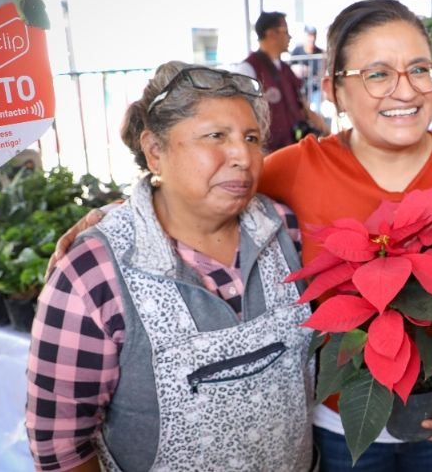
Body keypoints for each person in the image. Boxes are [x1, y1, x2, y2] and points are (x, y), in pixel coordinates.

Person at [258, 0, 432, 471]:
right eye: (378, 74)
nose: (406, 91)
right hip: (340, 426)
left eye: (420, 69)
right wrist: (118, 215)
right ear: (334, 90)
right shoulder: (295, 168)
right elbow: (209, 195)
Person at [27, 62, 315, 472]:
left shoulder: (283, 227)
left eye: (252, 138)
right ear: (154, 151)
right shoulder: (93, 273)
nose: (243, 156)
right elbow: (60, 444)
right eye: (216, 136)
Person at [235, 12, 329, 150]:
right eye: (285, 31)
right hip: (268, 152)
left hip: (293, 147)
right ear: (271, 34)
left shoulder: (285, 69)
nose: (289, 37)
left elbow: (301, 103)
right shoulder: (248, 69)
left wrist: (318, 123)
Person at [291, 24, 325, 112]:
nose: (311, 39)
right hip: (299, 89)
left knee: (316, 111)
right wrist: (296, 69)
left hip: (315, 88)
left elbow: (322, 72)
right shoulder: (296, 51)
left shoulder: (320, 53)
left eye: (313, 35)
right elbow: (289, 68)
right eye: (309, 35)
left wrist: (308, 70)